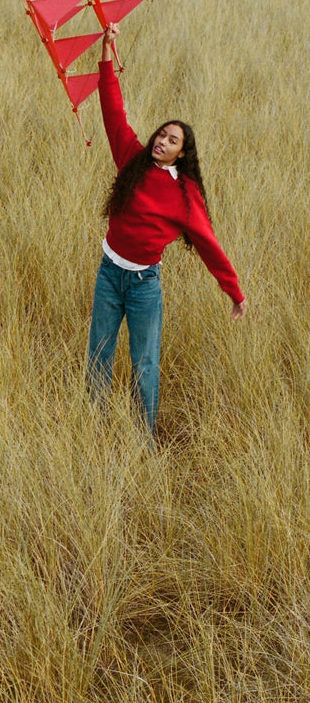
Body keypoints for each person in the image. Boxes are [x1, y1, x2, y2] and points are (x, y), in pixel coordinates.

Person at [87, 23, 247, 437]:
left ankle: (144, 438)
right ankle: (91, 430)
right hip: (109, 274)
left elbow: (209, 245)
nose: (162, 140)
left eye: (172, 140)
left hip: (144, 286)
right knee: (98, 356)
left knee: (144, 364)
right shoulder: (132, 158)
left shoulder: (184, 195)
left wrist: (234, 292)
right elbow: (113, 112)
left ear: (181, 152)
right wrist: (106, 51)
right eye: (161, 133)